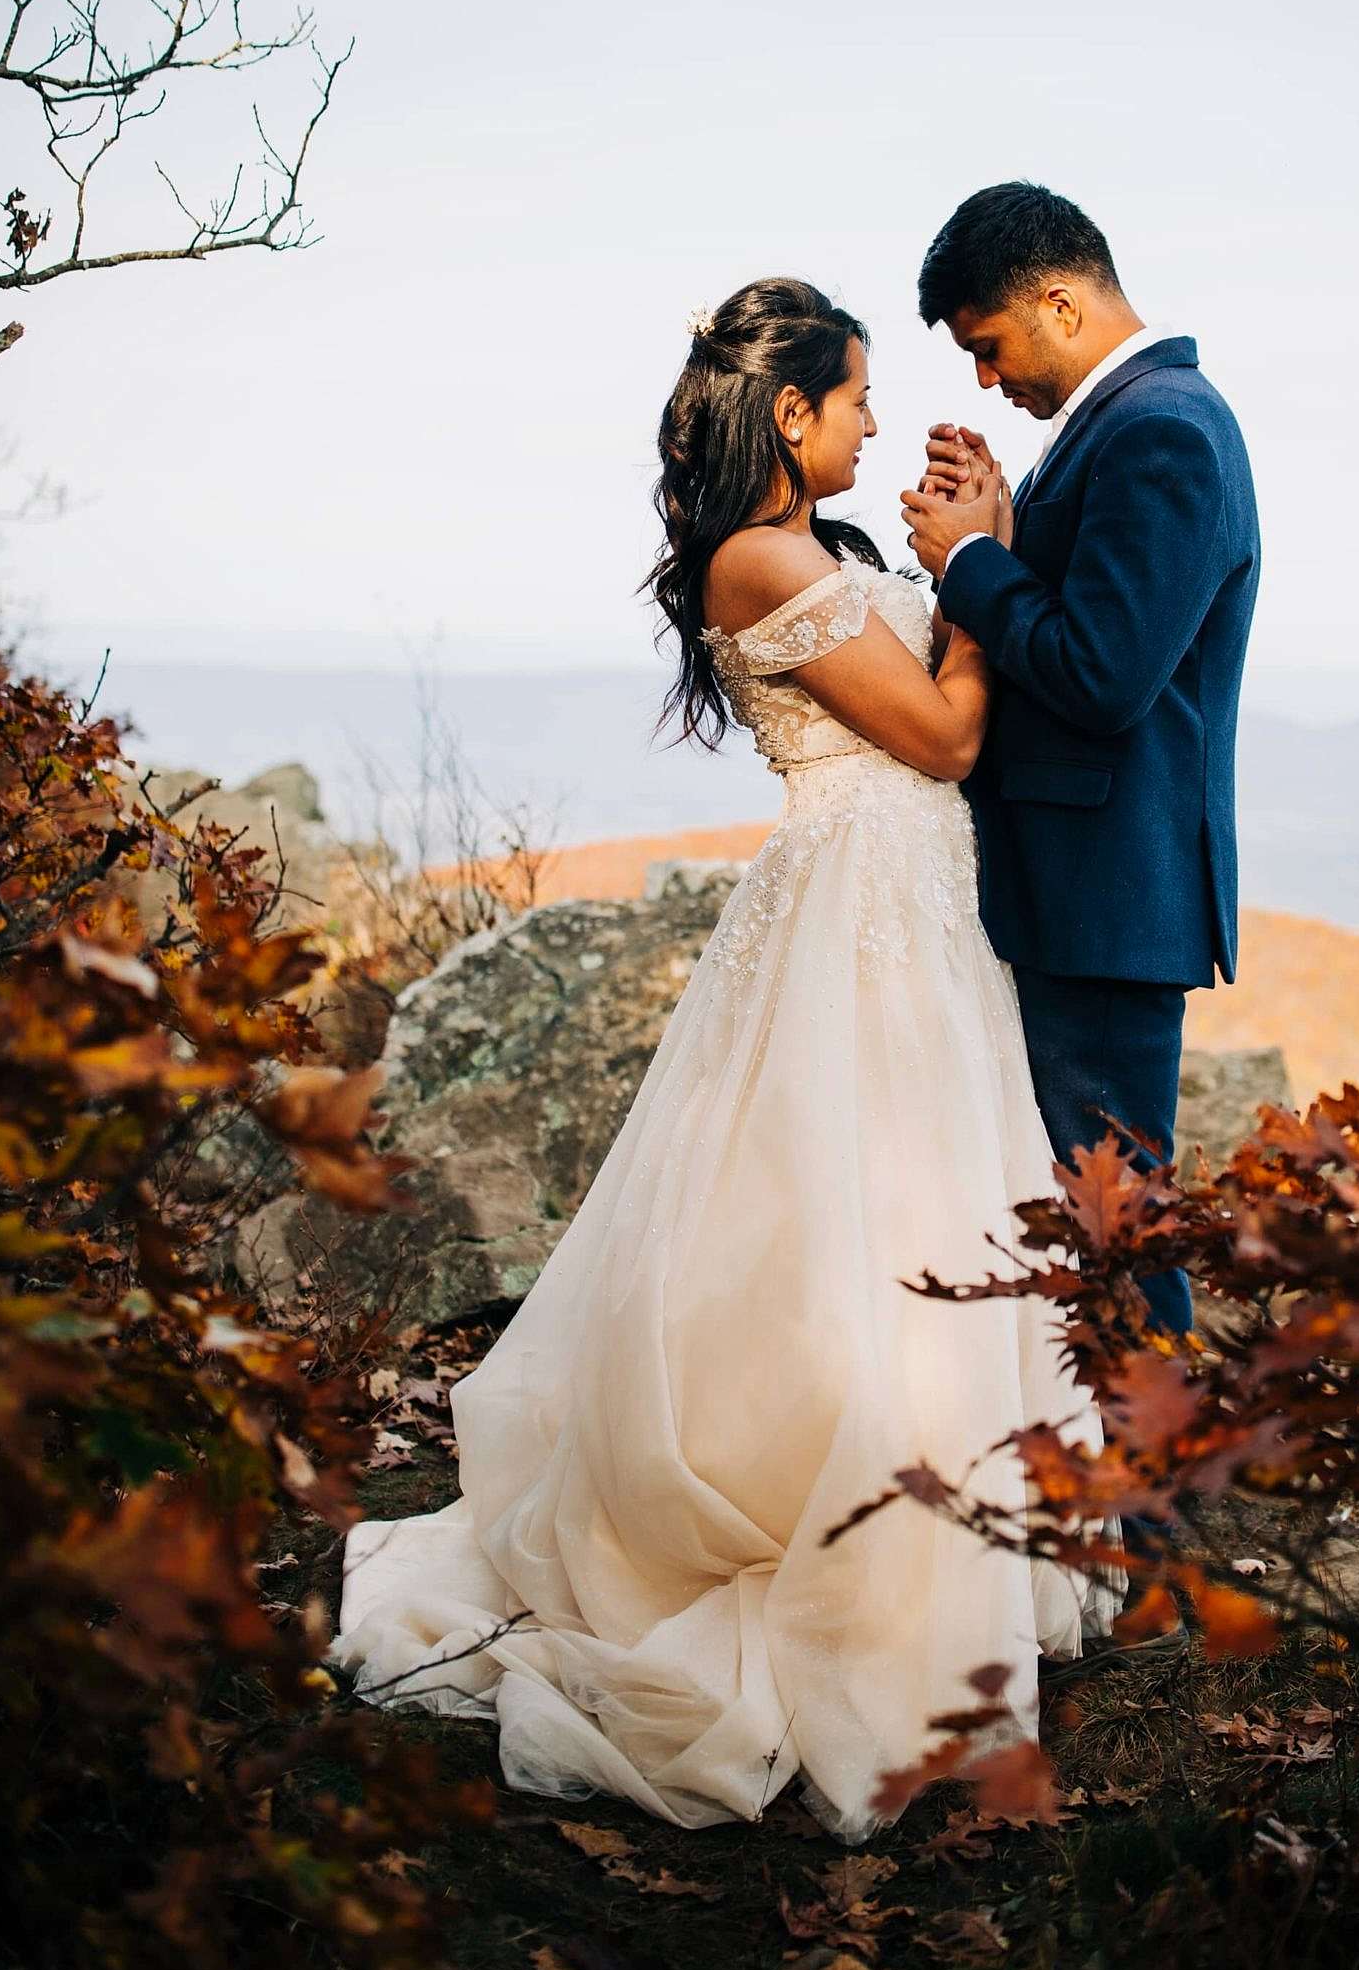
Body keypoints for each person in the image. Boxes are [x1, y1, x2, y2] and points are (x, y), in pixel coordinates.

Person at [331, 275, 1118, 1843]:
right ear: (788, 409)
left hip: (919, 909)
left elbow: (936, 728)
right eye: (857, 398)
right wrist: (979, 567)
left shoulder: (833, 553)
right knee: (844, 1220)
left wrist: (952, 555)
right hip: (853, 912)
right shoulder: (755, 561)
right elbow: (949, 737)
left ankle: (953, 1533)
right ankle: (837, 1551)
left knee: (932, 1212)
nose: (878, 421)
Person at [901, 181, 1261, 1339]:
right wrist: (1002, 528)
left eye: (987, 345)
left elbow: (1104, 674)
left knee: (1112, 1220)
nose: (984, 378)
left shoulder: (1161, 429)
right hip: (1079, 889)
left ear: (1058, 301)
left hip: (1106, 896)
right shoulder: (1123, 425)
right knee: (1081, 1209)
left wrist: (967, 564)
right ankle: (1102, 1491)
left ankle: (1142, 1510)